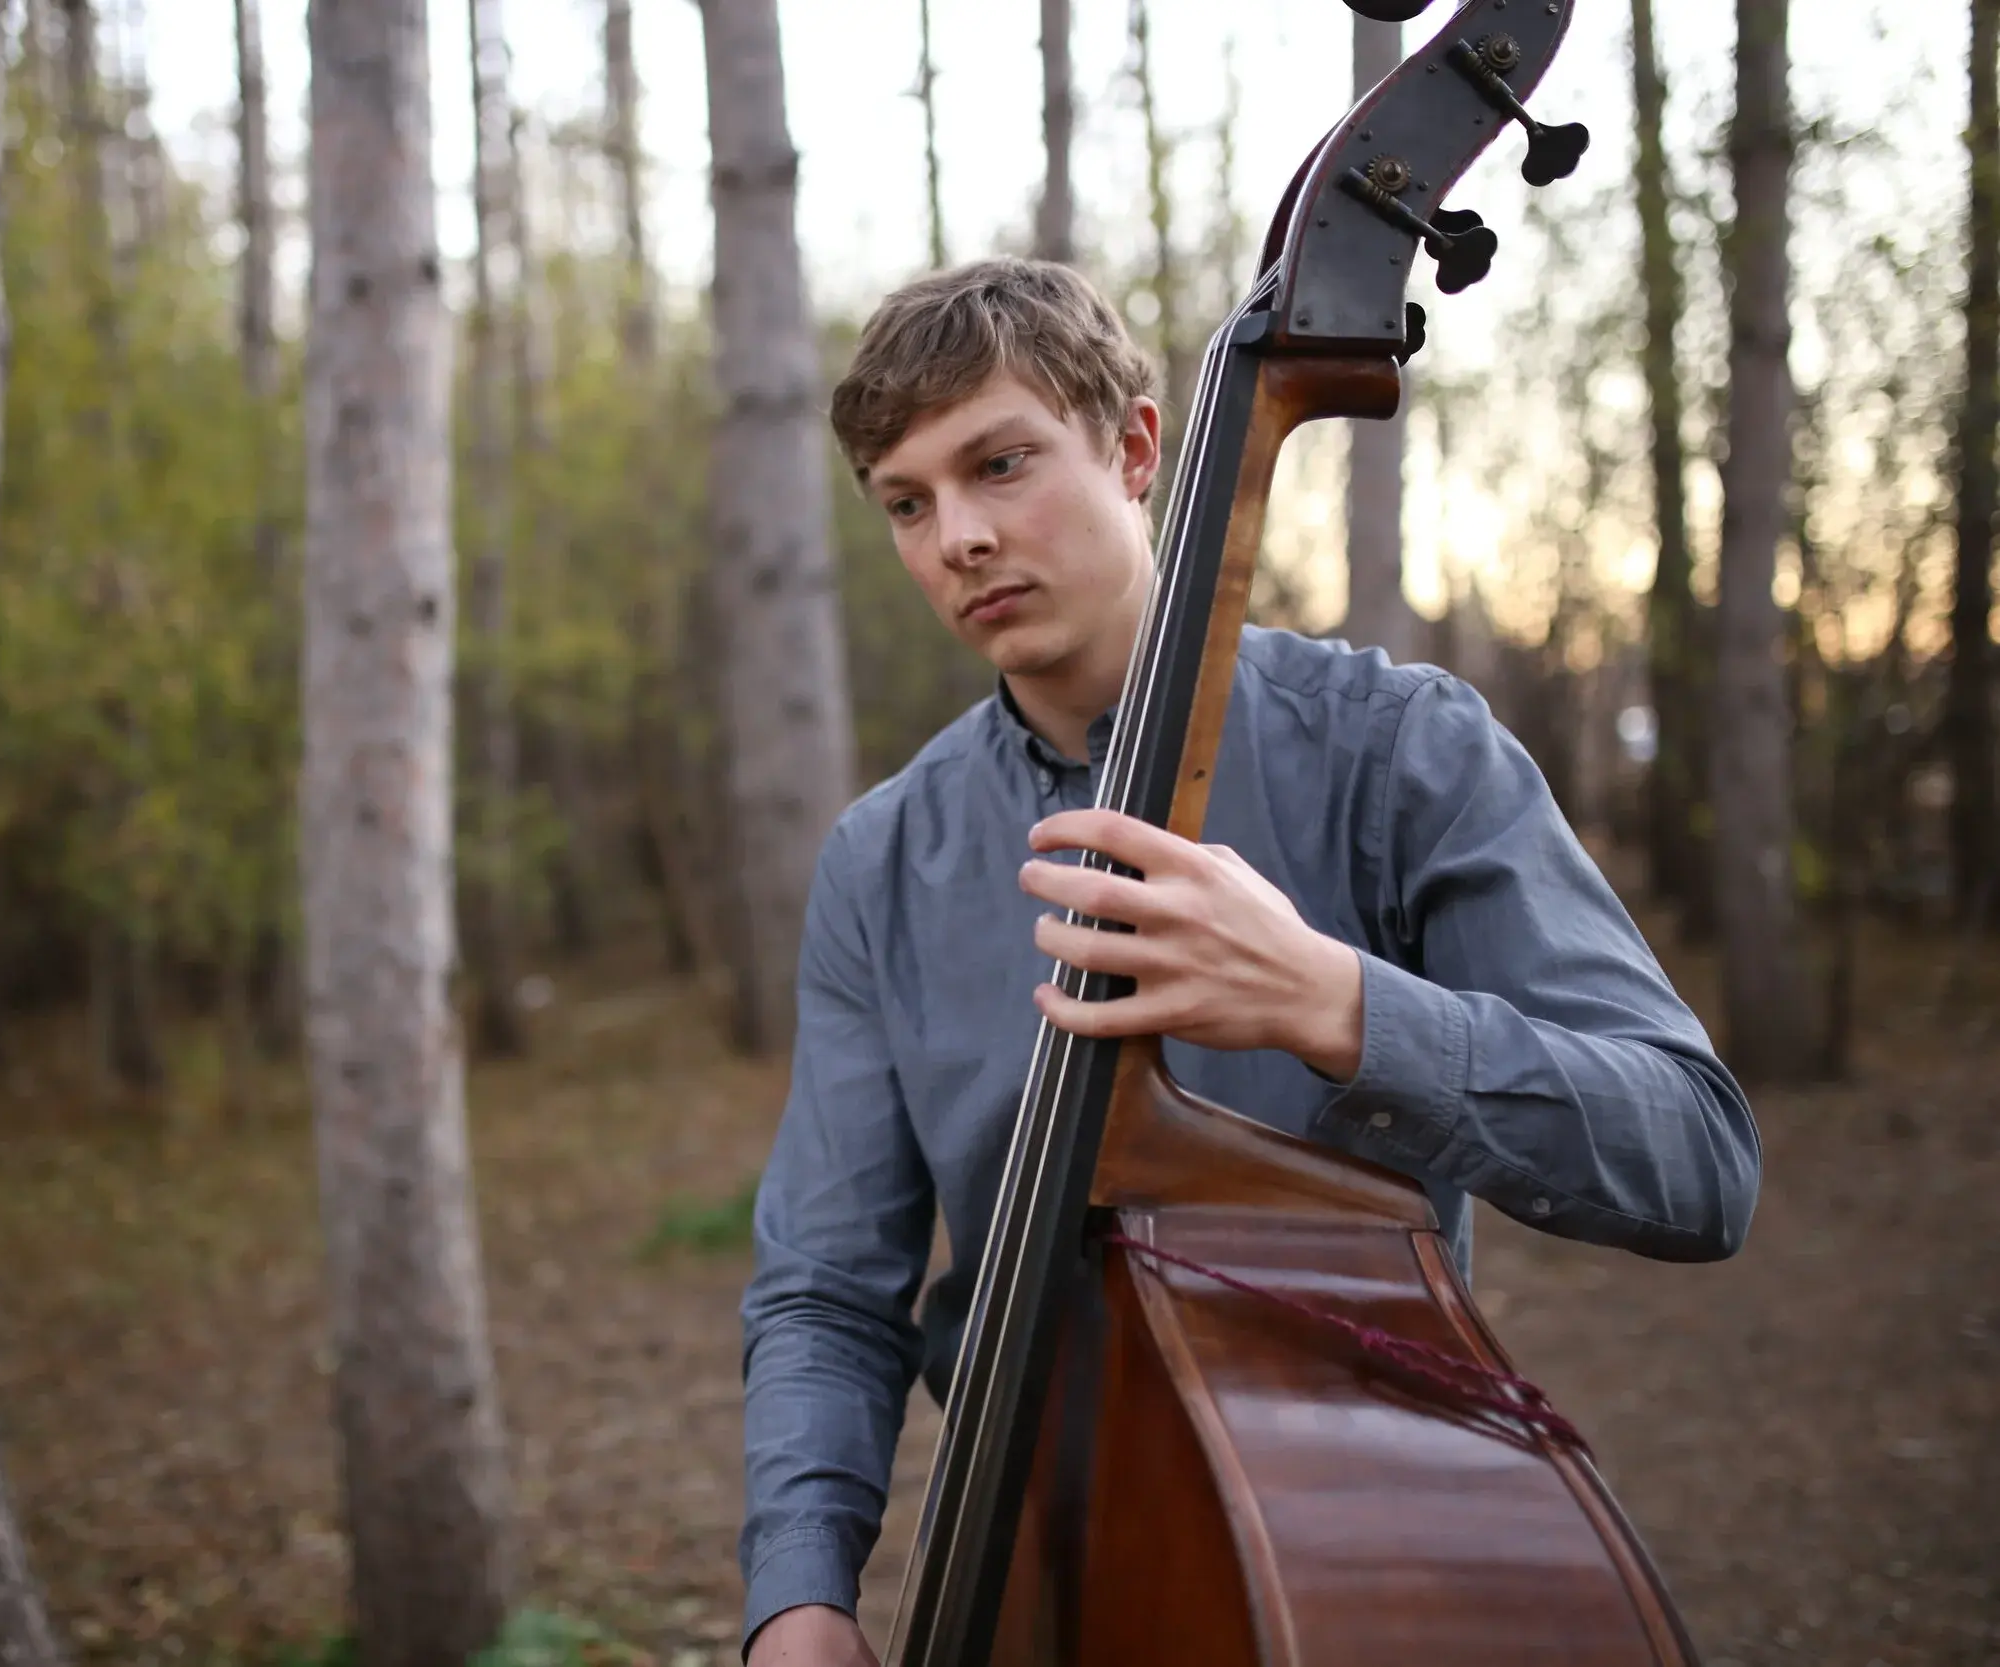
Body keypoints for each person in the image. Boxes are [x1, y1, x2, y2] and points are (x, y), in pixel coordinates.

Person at [735, 259, 1762, 1667]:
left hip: (1362, 1558)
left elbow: (1698, 1159)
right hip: (1032, 1570)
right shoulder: (881, 860)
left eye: (1001, 463)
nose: (957, 536)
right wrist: (799, 1597)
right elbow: (826, 1285)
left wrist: (1336, 1005)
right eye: (907, 502)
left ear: (1139, 448)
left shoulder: (1401, 750)